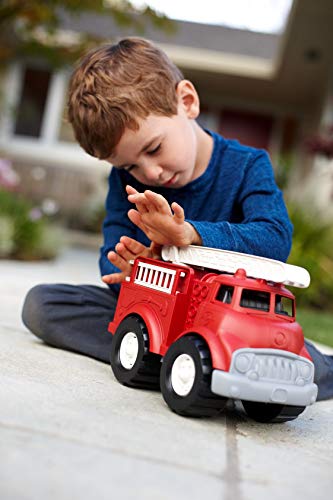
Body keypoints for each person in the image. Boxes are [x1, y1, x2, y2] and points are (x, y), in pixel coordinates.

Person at [22, 37, 333, 400]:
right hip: (160, 315)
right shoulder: (126, 181)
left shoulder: (248, 166)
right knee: (42, 305)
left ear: (187, 102)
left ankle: (189, 365)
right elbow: (114, 257)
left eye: (153, 149)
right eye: (130, 165)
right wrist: (136, 271)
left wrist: (190, 235)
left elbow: (275, 238)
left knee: (299, 358)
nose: (149, 172)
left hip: (230, 317)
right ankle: (189, 366)